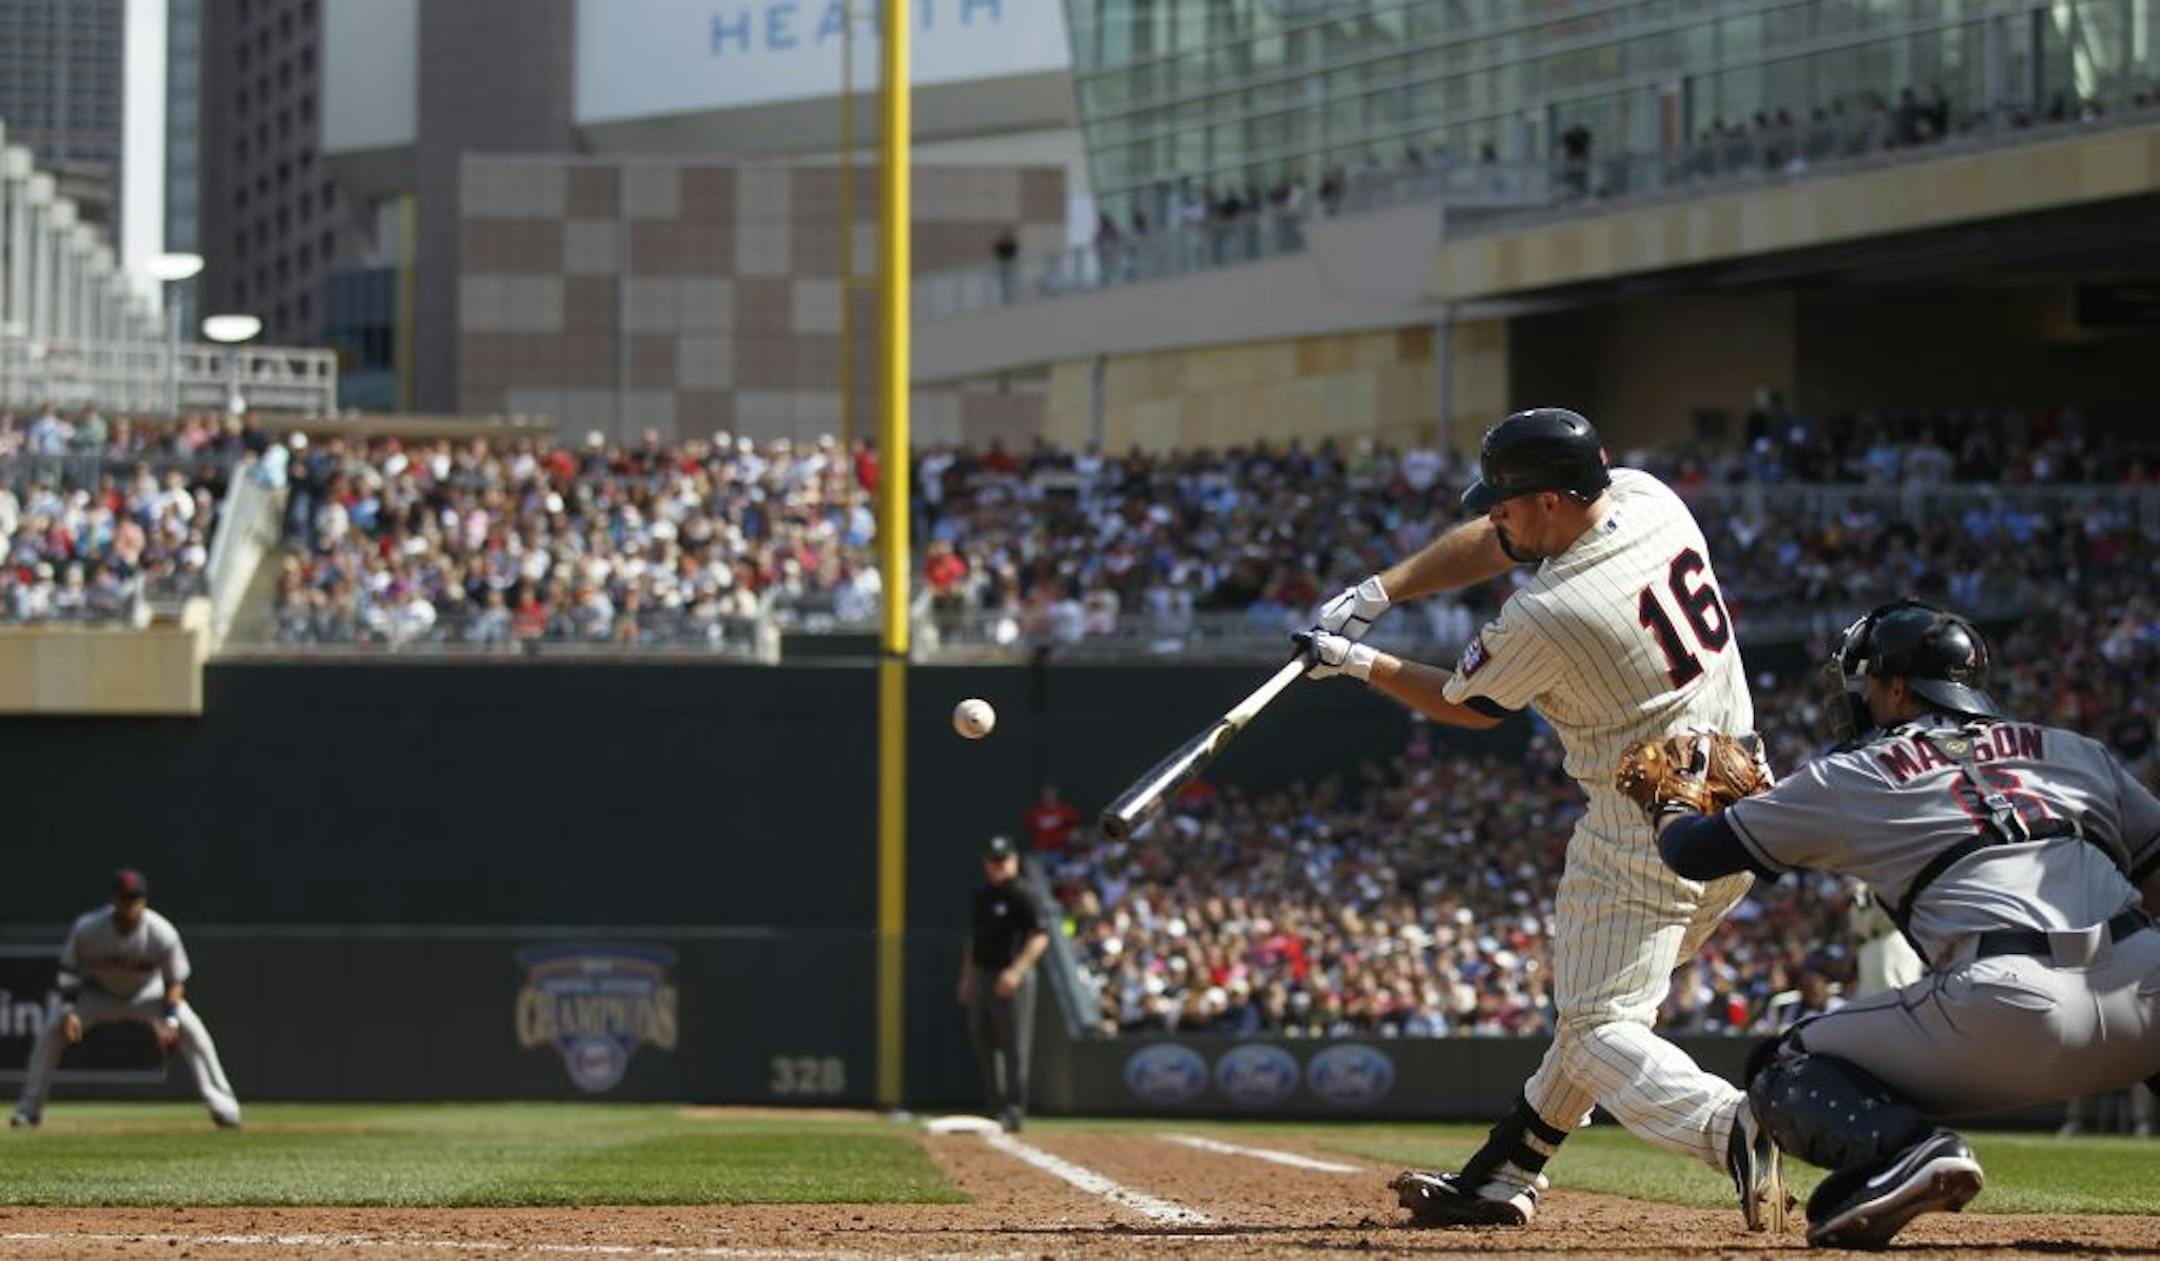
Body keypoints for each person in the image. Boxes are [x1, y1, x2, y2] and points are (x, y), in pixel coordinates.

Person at [1298, 407, 1786, 1231]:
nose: (1495, 513)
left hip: (1647, 816)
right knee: (1602, 1017)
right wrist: (1380, 591)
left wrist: (1356, 660)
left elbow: (1466, 705)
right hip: (1740, 796)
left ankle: (1730, 1126)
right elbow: (1501, 542)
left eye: (1509, 500)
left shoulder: (1552, 610)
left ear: (1554, 500)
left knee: (1599, 1027)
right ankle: (1504, 1171)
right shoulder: (1646, 495)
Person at [1648, 600, 2160, 1247]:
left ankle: (1909, 1150)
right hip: (2146, 985)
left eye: (1867, 682)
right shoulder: (2072, 749)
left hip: (2008, 1005)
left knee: (1784, 1063)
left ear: (1895, 686)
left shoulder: (1855, 772)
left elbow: (1694, 852)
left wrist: (1670, 800)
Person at [11, 870, 242, 1130]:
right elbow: (69, 971)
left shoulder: (161, 932)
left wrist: (171, 1020)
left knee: (193, 1031)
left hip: (148, 996)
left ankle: (223, 1106)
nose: (130, 903)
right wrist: (68, 1010)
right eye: (125, 897)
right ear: (114, 899)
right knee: (52, 1029)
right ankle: (29, 1108)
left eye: (136, 897)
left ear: (144, 900)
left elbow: (175, 982)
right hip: (99, 995)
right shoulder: (89, 929)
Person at [959, 836, 1048, 1132]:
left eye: (1002, 860)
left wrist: (1017, 971)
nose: (996, 866)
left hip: (1011, 975)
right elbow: (974, 939)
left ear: (1014, 861)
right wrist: (967, 978)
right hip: (983, 973)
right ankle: (994, 1107)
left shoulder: (1023, 893)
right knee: (982, 1038)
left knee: (1013, 1044)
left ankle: (1013, 1109)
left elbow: (1040, 935)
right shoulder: (982, 894)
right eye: (992, 860)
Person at [1021, 784, 1082, 853]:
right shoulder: (1035, 813)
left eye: (1051, 793)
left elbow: (1076, 828)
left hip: (1063, 850)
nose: (1049, 796)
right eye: (1047, 794)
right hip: (1042, 851)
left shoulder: (1066, 811)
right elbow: (1028, 831)